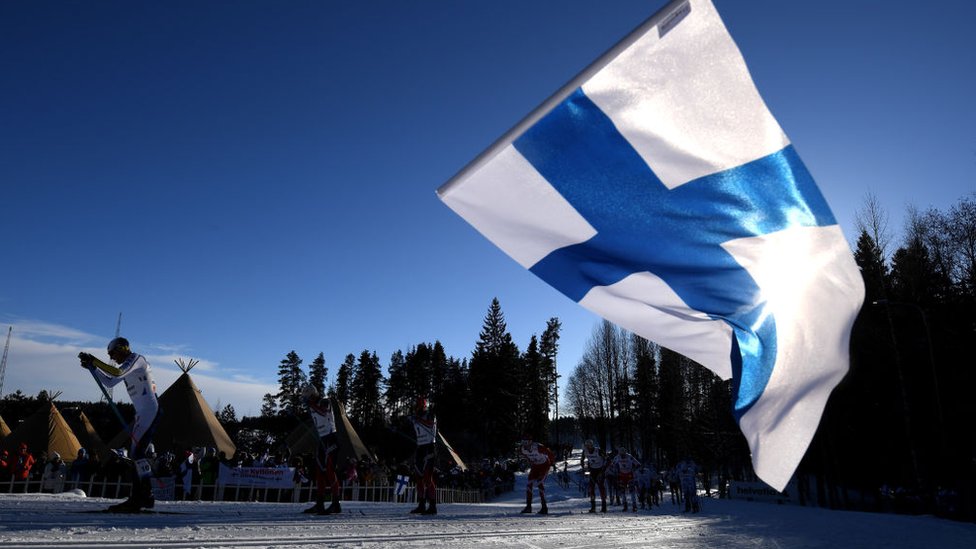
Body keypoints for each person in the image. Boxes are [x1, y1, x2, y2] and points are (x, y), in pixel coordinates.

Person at [79, 337, 160, 512]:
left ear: (123, 348)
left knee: (137, 453)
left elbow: (114, 373)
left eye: (112, 353)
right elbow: (110, 381)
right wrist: (92, 368)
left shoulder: (136, 359)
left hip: (150, 410)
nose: (112, 357)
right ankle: (144, 496)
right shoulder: (127, 365)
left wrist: (95, 361)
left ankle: (143, 496)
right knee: (136, 454)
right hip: (143, 413)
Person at [301, 384, 342, 515]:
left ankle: (336, 503)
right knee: (319, 472)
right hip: (322, 439)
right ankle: (319, 504)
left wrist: (311, 404)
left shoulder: (324, 401)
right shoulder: (312, 405)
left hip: (331, 438)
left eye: (308, 397)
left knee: (329, 471)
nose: (308, 400)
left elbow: (323, 412)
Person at [409, 396, 438, 515]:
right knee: (418, 478)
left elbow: (430, 424)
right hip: (420, 447)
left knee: (427, 478)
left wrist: (418, 419)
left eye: (419, 405)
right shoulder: (415, 417)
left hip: (429, 447)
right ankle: (421, 504)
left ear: (424, 405)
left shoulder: (429, 414)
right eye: (416, 405)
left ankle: (432, 506)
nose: (417, 408)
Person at [518, 433, 554, 515]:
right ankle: (528, 507)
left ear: (530, 442)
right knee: (529, 484)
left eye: (526, 442)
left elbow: (549, 452)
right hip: (535, 466)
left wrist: (551, 462)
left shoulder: (538, 447)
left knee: (539, 483)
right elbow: (526, 455)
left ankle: (544, 507)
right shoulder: (522, 449)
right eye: (523, 442)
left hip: (544, 465)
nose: (524, 444)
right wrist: (530, 460)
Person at [609, 447, 641, 512]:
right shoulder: (617, 457)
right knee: (622, 491)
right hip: (621, 475)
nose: (622, 456)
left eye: (623, 454)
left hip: (629, 475)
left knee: (632, 491)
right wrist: (616, 470)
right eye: (621, 454)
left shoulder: (629, 456)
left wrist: (634, 469)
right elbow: (612, 465)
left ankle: (634, 506)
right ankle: (625, 505)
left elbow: (638, 464)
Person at [581, 439, 608, 513]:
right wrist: (584, 468)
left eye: (589, 446)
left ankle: (604, 507)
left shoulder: (598, 450)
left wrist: (603, 471)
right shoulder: (585, 451)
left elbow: (607, 459)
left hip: (600, 470)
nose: (588, 448)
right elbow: (582, 460)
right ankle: (593, 507)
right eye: (587, 446)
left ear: (592, 445)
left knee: (601, 487)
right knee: (591, 488)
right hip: (592, 471)